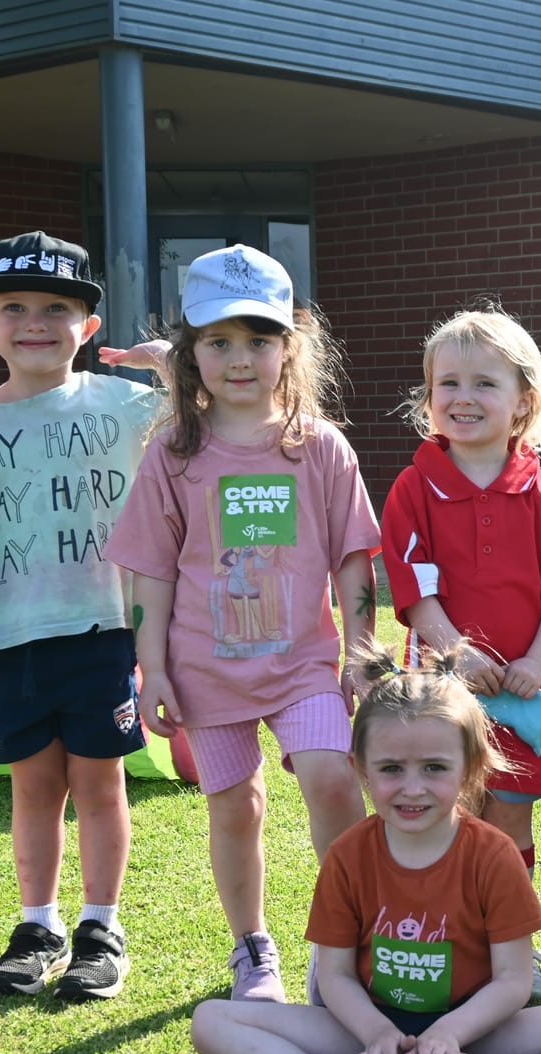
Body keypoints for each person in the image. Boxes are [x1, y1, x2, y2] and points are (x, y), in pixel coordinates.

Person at [189, 646, 541, 1054]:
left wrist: (452, 1032)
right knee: (211, 1019)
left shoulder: (492, 855)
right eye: (391, 769)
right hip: (366, 1032)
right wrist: (376, 1034)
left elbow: (514, 980)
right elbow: (337, 974)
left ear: (471, 768)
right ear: (360, 769)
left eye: (434, 767)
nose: (413, 788)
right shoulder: (348, 856)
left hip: (477, 1034)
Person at [106, 244, 379, 1002]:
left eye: (259, 340)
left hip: (303, 665)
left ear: (289, 347)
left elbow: (355, 556)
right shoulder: (171, 453)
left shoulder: (319, 447)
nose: (239, 358)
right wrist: (153, 665)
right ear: (190, 353)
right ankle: (252, 949)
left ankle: (345, 943)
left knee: (331, 779)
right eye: (218, 341)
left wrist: (361, 651)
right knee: (236, 806)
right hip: (205, 668)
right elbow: (151, 570)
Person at [0, 232, 169, 1003]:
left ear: (88, 328)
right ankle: (37, 927)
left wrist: (167, 366)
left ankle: (100, 926)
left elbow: (207, 421)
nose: (35, 322)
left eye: (57, 307)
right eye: (13, 307)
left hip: (99, 627)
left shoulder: (121, 402)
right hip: (9, 634)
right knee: (34, 788)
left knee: (99, 783)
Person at [379, 307, 541, 998]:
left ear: (524, 402)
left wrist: (535, 661)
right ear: (428, 399)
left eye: (485, 383)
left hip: (528, 691)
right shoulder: (414, 487)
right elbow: (412, 588)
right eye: (448, 383)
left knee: (508, 814)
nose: (464, 398)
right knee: (446, 806)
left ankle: (513, 947)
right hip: (442, 689)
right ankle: (449, 935)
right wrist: (456, 654)